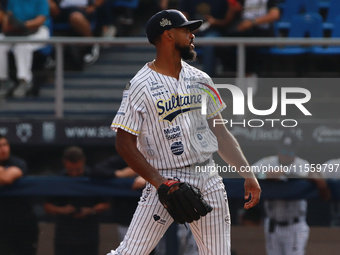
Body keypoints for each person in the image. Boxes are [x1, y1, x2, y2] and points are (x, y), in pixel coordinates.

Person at [107, 9, 261, 255]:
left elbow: (220, 134)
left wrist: (247, 173)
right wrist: (160, 183)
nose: (192, 35)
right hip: (166, 178)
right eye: (186, 30)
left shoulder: (201, 79)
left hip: (208, 177)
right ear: (168, 35)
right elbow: (124, 144)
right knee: (130, 253)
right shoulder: (140, 85)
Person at [252, 132, 330, 255]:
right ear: (278, 149)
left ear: (295, 151)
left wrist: (309, 176)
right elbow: (246, 175)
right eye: (283, 151)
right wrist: (264, 175)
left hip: (294, 226)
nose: (285, 155)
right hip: (273, 224)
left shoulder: (302, 165)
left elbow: (321, 184)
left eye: (290, 152)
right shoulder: (267, 162)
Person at [43, 146, 110, 255]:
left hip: (88, 235)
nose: (74, 173)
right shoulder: (58, 179)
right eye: (70, 170)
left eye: (77, 170)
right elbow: (47, 206)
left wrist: (92, 210)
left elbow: (106, 204)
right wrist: (62, 210)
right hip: (64, 236)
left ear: (83, 161)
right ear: (64, 163)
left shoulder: (94, 177)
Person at [0, 0, 50, 98]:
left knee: (22, 44)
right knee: (0, 43)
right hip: (16, 30)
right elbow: (7, 20)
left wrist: (23, 26)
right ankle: (3, 81)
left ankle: (25, 81)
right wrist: (10, 25)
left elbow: (40, 20)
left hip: (38, 30)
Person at [0, 134, 39, 255]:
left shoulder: (18, 162)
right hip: (2, 227)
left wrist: (2, 172)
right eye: (0, 146)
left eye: (5, 145)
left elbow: (7, 178)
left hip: (23, 226)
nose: (4, 149)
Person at [49, 0, 104, 64]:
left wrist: (94, 6)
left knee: (75, 17)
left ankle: (91, 44)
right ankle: (47, 55)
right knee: (48, 5)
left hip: (82, 10)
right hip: (60, 10)